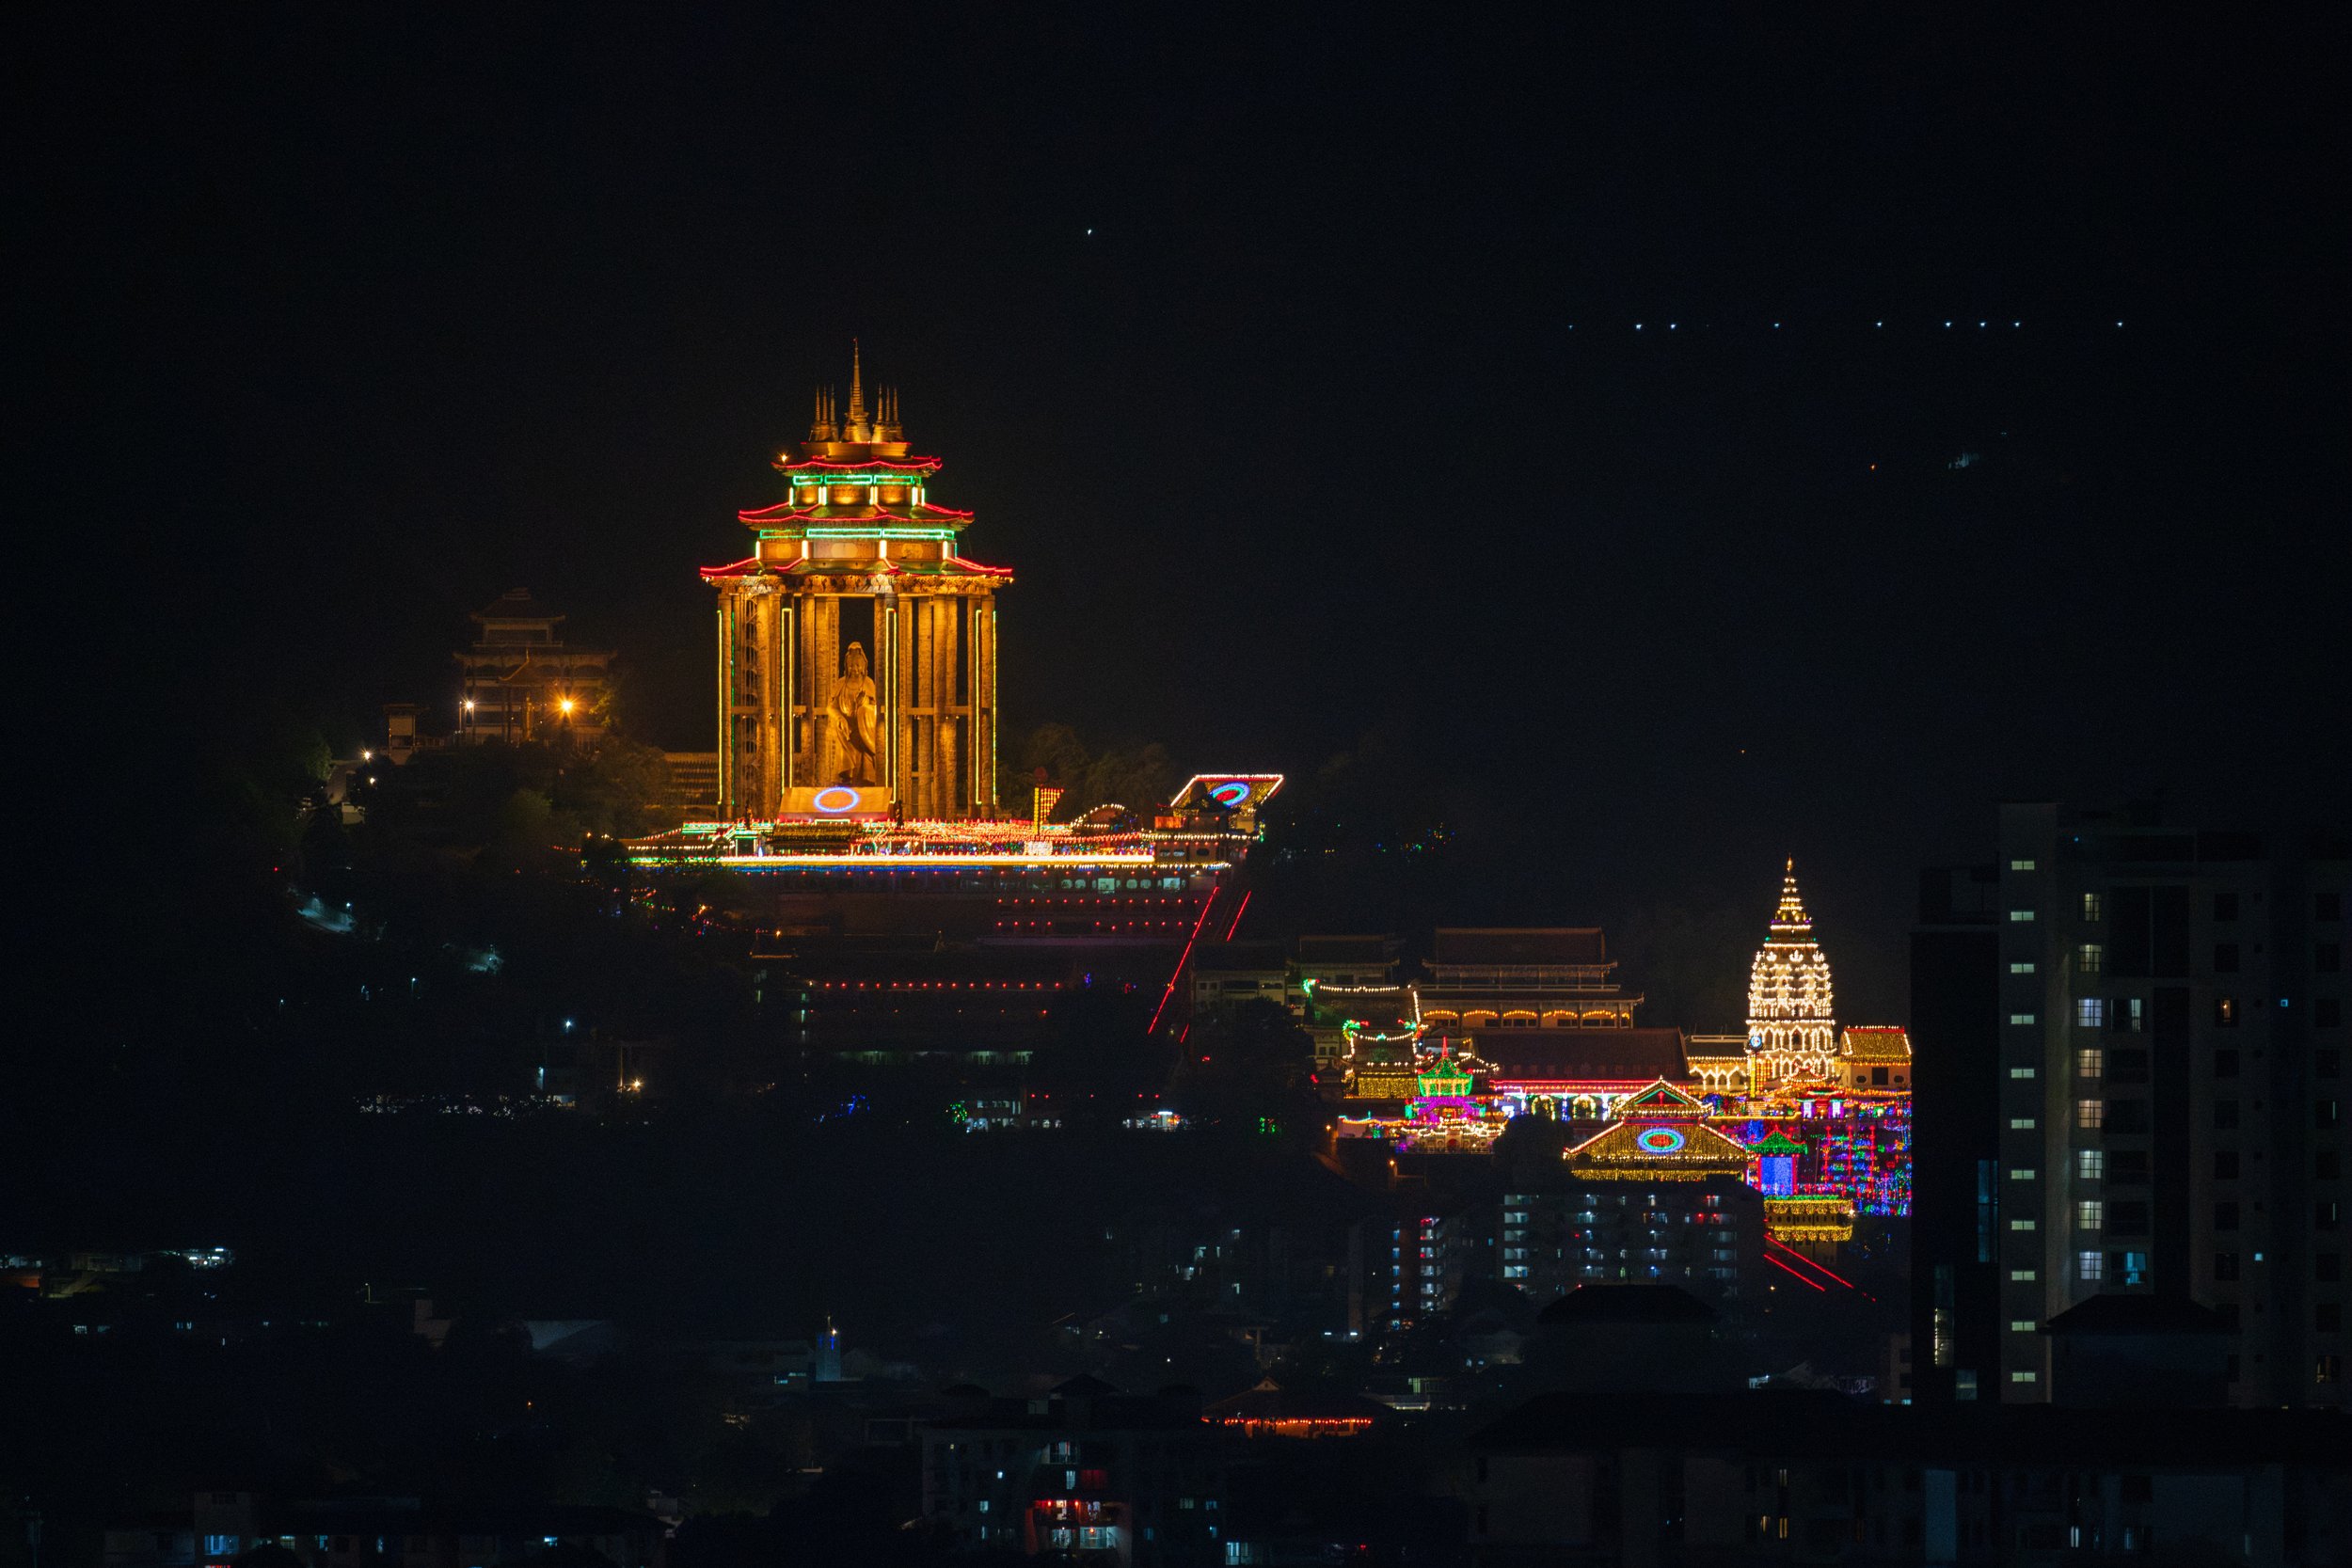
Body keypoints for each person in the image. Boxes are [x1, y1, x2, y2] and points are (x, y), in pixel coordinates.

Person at [832, 641, 882, 784]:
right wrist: (839, 718)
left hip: (863, 731)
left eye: (857, 665)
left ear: (863, 666)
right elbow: (832, 707)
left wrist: (863, 708)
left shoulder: (868, 683)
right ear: (846, 666)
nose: (854, 669)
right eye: (851, 665)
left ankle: (866, 774)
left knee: (864, 711)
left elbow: (875, 707)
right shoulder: (841, 683)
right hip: (847, 730)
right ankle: (847, 774)